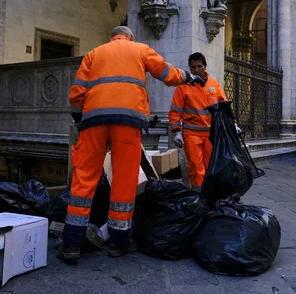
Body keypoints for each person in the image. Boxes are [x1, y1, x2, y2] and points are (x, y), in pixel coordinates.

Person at [59, 26, 205, 263]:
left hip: (93, 121)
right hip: (127, 121)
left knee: (84, 177)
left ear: (112, 37)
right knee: (124, 180)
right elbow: (167, 73)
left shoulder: (94, 53)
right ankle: (119, 241)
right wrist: (188, 77)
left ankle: (71, 244)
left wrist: (80, 120)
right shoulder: (140, 49)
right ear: (130, 37)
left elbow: (76, 93)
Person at [169, 52, 238, 191]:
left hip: (211, 135)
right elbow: (175, 111)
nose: (196, 70)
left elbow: (224, 106)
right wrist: (176, 132)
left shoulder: (214, 85)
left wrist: (234, 124)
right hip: (191, 134)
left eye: (199, 66)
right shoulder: (183, 87)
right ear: (189, 67)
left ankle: (210, 193)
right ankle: (199, 194)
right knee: (196, 167)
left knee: (211, 165)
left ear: (205, 66)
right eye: (193, 67)